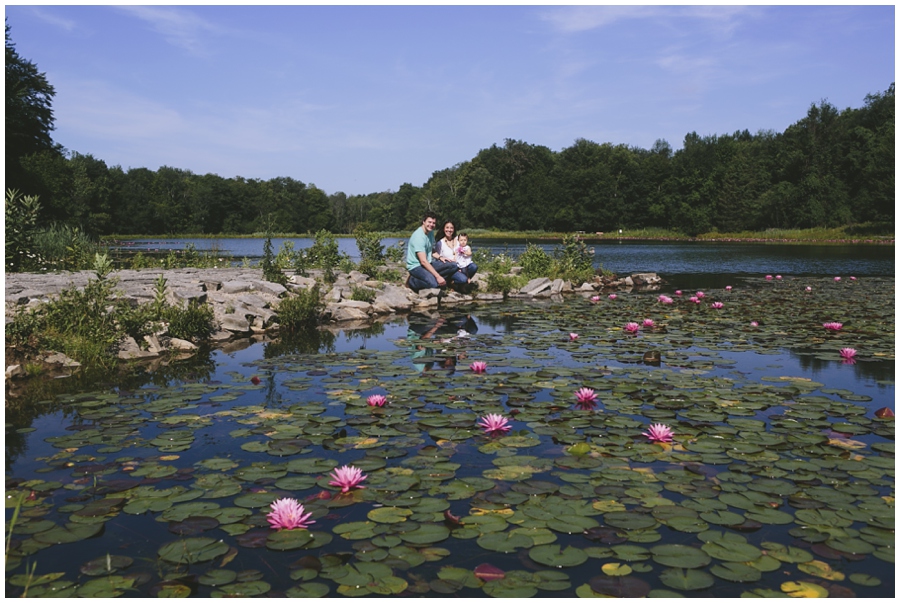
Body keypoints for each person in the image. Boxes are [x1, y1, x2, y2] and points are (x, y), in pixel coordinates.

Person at [406, 212, 466, 292]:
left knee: (453, 265)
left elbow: (430, 249)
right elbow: (423, 261)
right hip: (416, 267)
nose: (431, 225)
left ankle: (438, 279)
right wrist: (438, 276)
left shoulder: (430, 233)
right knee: (434, 284)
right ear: (424, 222)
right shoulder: (419, 237)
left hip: (428, 264)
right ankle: (412, 281)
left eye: (433, 223)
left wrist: (440, 257)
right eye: (429, 222)